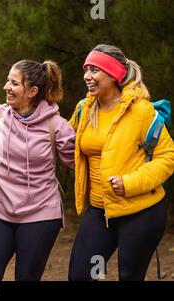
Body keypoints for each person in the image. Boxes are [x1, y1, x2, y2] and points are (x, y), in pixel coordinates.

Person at [68, 44, 174, 281]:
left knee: (129, 275)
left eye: (95, 70)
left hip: (140, 211)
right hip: (99, 209)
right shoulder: (84, 109)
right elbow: (62, 140)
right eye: (86, 69)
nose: (87, 76)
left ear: (114, 74)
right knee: (80, 274)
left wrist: (129, 182)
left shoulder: (142, 111)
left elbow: (167, 157)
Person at [0, 60, 76, 281]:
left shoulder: (56, 126)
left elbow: (81, 163)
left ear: (32, 91)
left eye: (13, 83)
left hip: (40, 212)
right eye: (7, 81)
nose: (6, 87)